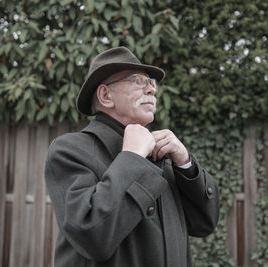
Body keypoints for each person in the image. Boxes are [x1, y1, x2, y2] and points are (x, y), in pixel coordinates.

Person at [44, 46, 219, 267]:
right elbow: (91, 236)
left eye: (151, 83)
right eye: (138, 81)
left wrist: (185, 164)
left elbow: (204, 224)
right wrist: (132, 158)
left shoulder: (163, 156)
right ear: (106, 96)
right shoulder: (70, 150)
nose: (151, 90)